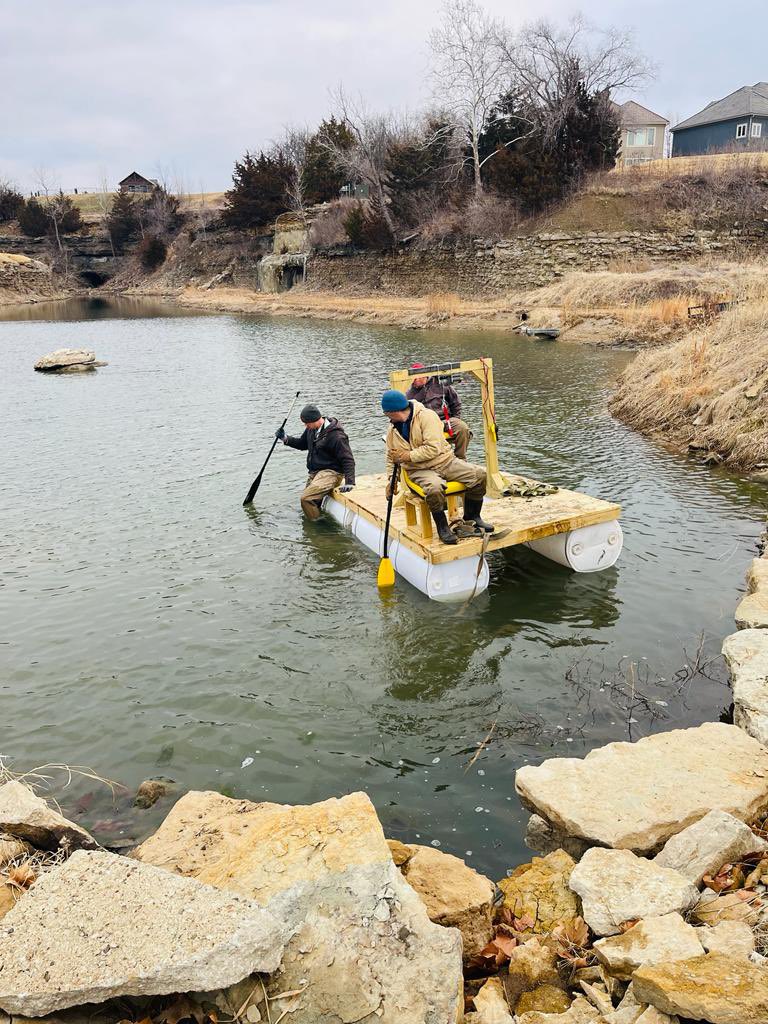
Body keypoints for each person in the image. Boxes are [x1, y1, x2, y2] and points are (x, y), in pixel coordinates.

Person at [381, 389, 492, 546]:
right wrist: (391, 480)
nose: (388, 418)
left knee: (479, 475)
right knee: (434, 487)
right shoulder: (392, 428)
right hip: (418, 470)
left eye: (388, 414)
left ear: (395, 411)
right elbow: (391, 456)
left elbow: (434, 448)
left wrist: (408, 456)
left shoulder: (427, 417)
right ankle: (443, 527)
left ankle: (472, 517)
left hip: (445, 461)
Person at [277, 403, 355, 520]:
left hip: (332, 472)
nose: (305, 426)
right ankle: (316, 516)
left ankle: (316, 527)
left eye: (306, 423)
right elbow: (303, 444)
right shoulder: (311, 429)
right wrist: (286, 438)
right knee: (308, 500)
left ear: (314, 420)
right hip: (315, 472)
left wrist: (350, 482)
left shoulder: (337, 436)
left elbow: (348, 459)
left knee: (306, 498)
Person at [406, 363, 471, 460]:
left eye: (419, 377)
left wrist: (456, 418)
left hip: (445, 420)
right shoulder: (409, 395)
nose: (417, 380)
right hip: (427, 425)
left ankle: (460, 458)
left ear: (426, 376)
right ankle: (436, 461)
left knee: (463, 428)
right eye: (415, 378)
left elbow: (456, 402)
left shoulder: (440, 384)